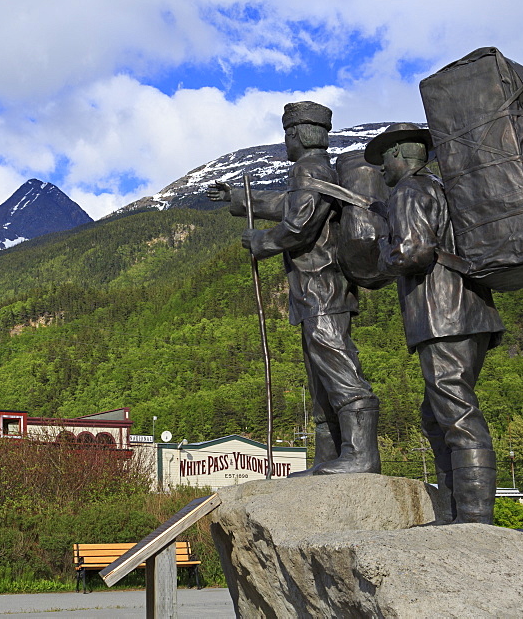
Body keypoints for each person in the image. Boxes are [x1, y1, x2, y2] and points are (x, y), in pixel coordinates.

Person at [206, 101, 380, 475]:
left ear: (299, 134)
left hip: (322, 284)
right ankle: (330, 458)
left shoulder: (309, 168)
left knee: (337, 365)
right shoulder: (313, 172)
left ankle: (361, 456)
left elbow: (300, 223)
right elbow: (289, 205)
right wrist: (238, 198)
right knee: (320, 376)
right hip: (314, 287)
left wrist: (261, 242)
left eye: (288, 134)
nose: (286, 143)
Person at [367, 122, 505, 523]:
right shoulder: (443, 189)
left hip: (443, 315)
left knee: (456, 413)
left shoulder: (408, 191)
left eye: (384, 160)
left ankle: (475, 518)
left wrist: (381, 249)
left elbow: (413, 253)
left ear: (399, 156)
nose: (380, 171)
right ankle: (455, 510)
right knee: (436, 413)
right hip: (473, 312)